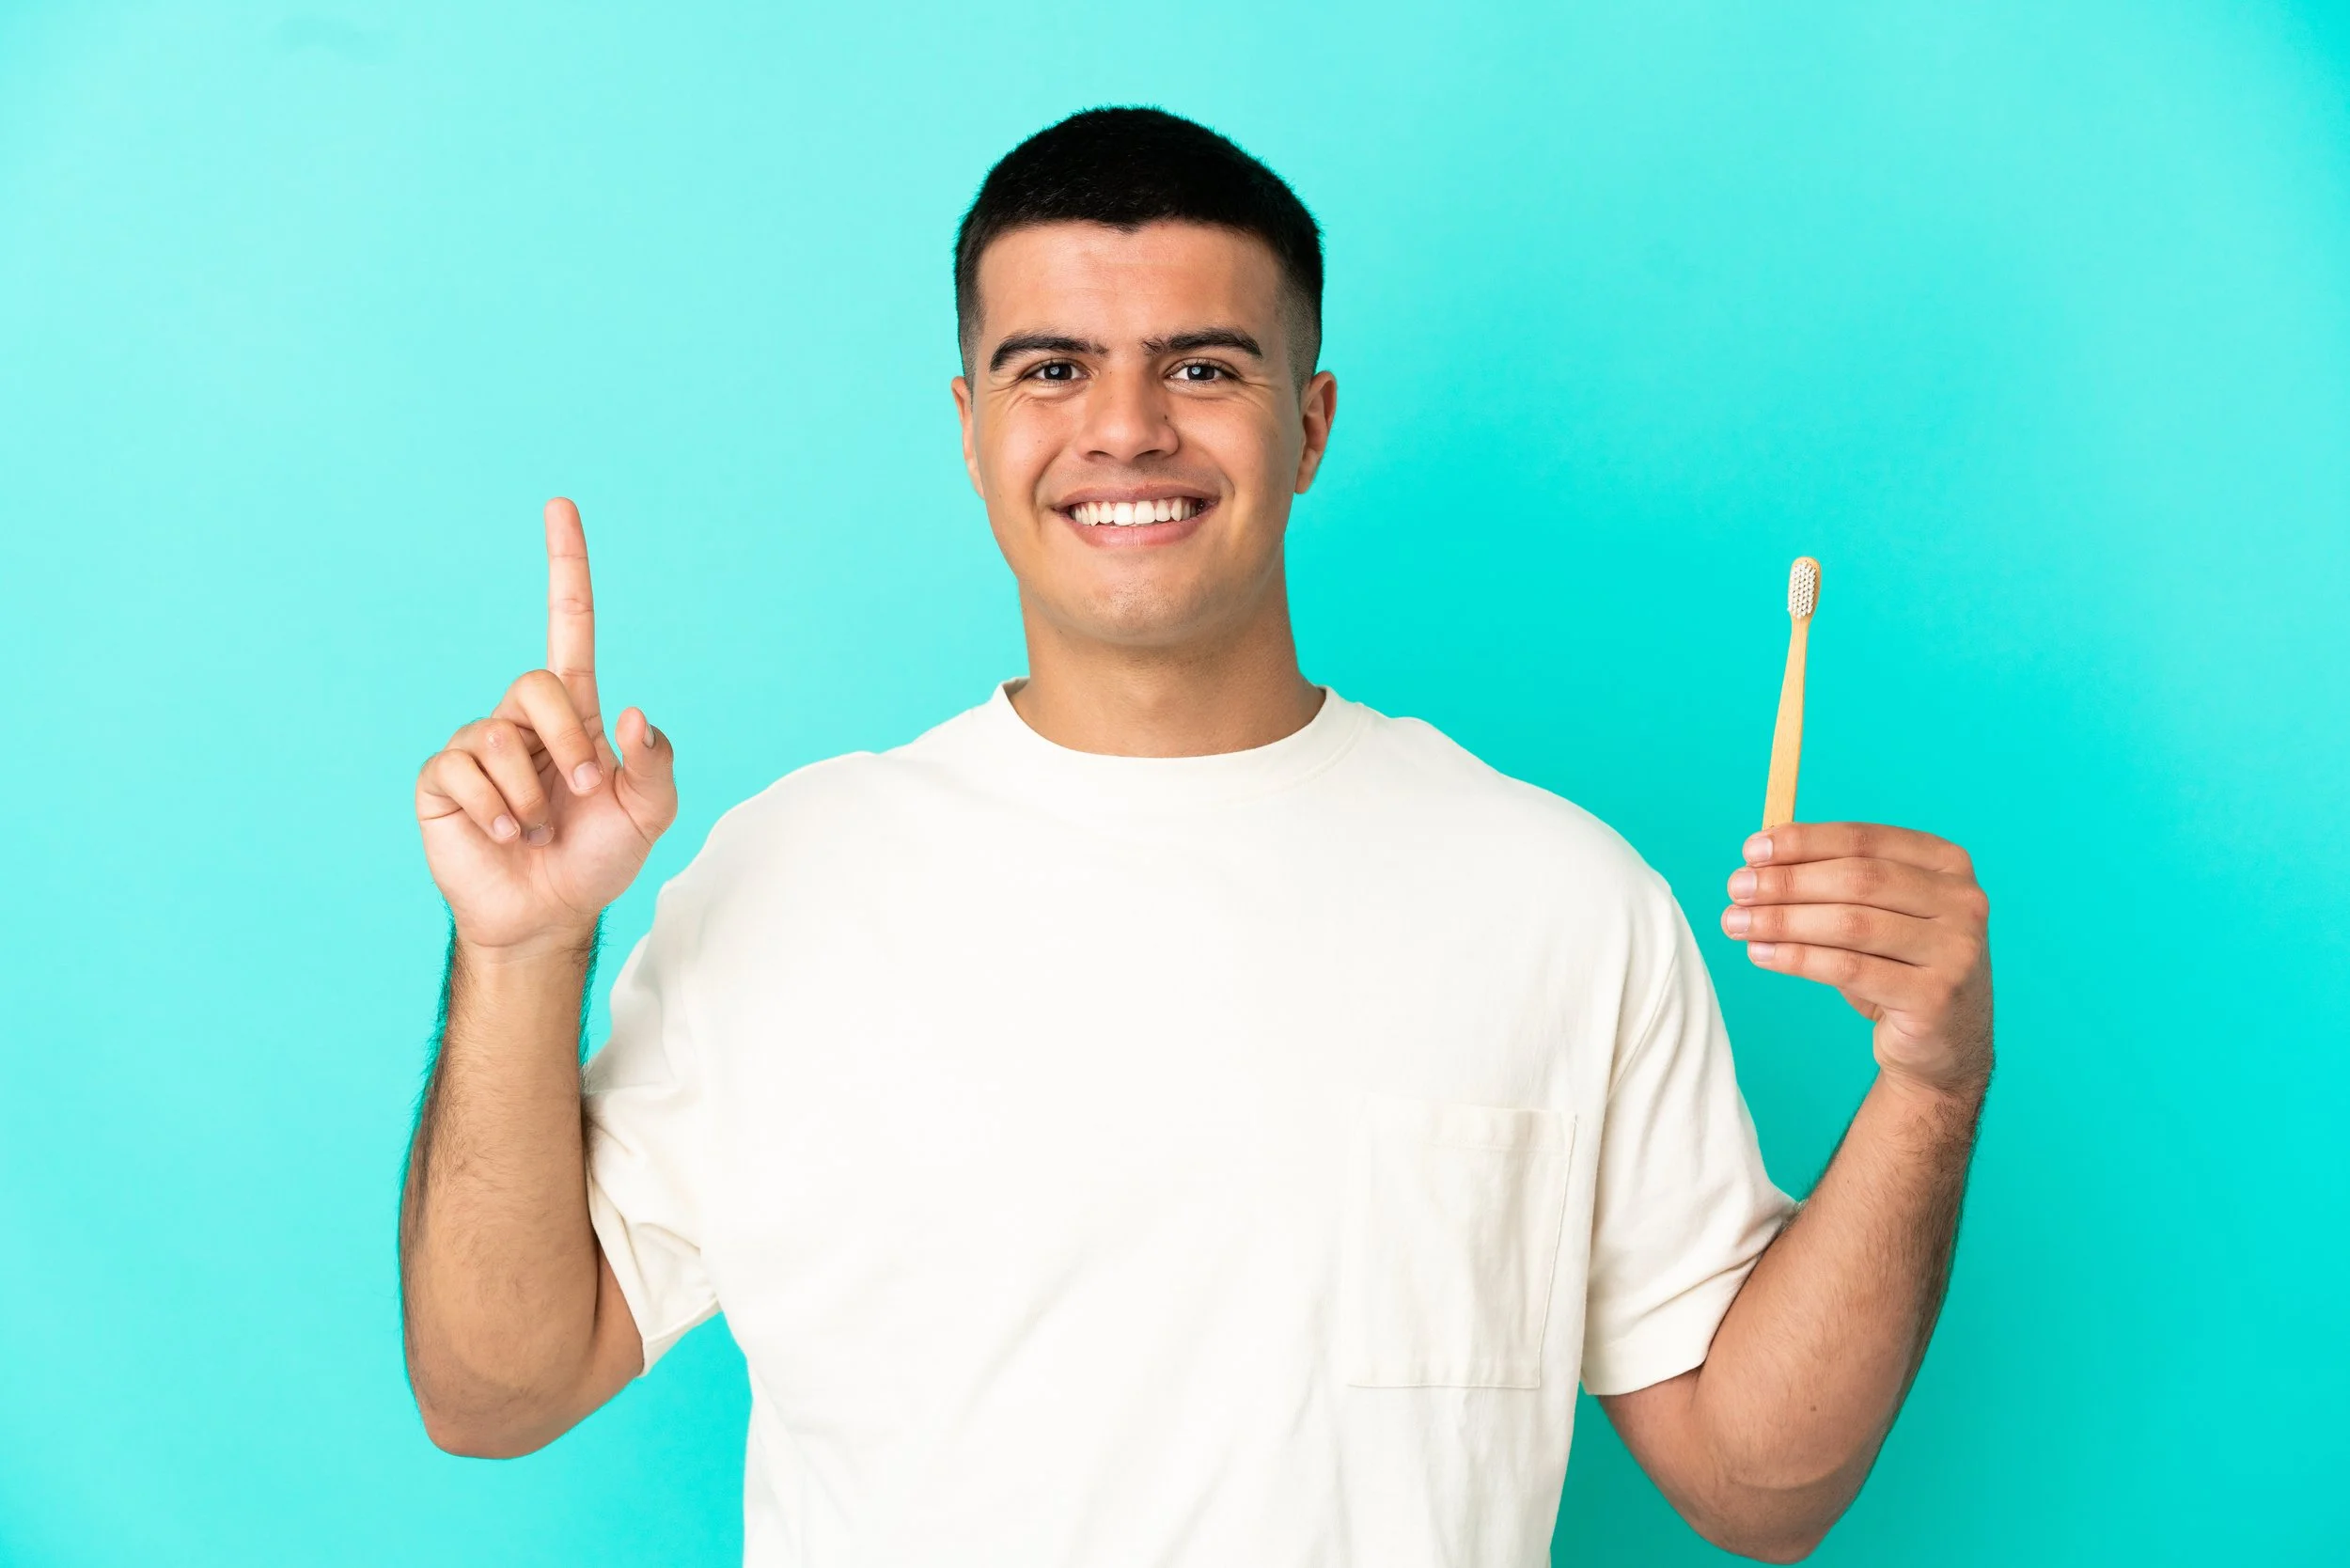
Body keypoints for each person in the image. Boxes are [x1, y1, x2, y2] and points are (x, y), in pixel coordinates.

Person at [399, 107, 1993, 1566]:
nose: (1127, 429)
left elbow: (1758, 1482)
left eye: (1204, 368)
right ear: (971, 426)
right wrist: (522, 950)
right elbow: (494, 1389)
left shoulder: (1556, 896)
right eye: (1052, 370)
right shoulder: (784, 876)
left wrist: (1932, 1085)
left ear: (1308, 427)